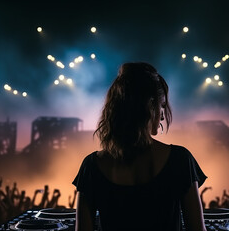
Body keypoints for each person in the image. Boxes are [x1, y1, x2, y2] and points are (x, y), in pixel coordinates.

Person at [73, 62, 207, 231]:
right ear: (150, 105)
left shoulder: (91, 166)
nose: (163, 117)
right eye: (162, 106)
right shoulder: (180, 160)